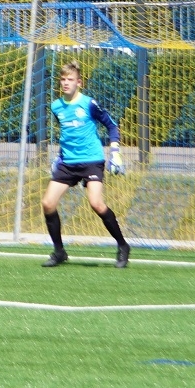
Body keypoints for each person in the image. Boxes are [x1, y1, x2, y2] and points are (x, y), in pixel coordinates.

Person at [41, 60, 130, 268]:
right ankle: (59, 252)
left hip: (91, 161)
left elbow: (111, 125)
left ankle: (123, 245)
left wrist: (115, 152)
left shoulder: (89, 104)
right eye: (62, 79)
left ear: (79, 82)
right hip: (68, 163)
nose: (65, 83)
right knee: (47, 203)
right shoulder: (56, 106)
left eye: (70, 80)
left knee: (96, 204)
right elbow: (67, 133)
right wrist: (60, 156)